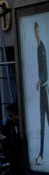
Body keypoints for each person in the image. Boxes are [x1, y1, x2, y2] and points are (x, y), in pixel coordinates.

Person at [36, 21, 49, 164]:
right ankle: (41, 153)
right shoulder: (39, 46)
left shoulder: (42, 47)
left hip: (44, 89)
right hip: (43, 90)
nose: (36, 34)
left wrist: (41, 79)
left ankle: (41, 153)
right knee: (42, 123)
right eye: (36, 32)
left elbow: (44, 65)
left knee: (43, 123)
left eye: (38, 31)